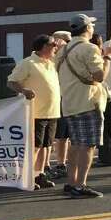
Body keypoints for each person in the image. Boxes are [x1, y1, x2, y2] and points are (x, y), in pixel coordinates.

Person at [57, 14, 109, 197]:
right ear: (87, 28)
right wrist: (107, 58)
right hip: (87, 102)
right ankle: (81, 185)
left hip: (69, 102)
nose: (93, 28)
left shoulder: (62, 50)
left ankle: (71, 183)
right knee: (87, 146)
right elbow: (99, 76)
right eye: (92, 25)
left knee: (75, 144)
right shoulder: (89, 48)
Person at [8, 34, 63, 188]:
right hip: (36, 113)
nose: (56, 48)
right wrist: (24, 90)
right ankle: (27, 177)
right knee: (35, 146)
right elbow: (11, 81)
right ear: (44, 46)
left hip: (52, 112)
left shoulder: (51, 63)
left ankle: (39, 175)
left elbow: (64, 50)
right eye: (53, 45)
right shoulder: (28, 63)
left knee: (46, 146)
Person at [46, 30, 74, 178]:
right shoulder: (51, 58)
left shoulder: (70, 56)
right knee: (53, 136)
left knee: (65, 135)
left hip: (69, 98)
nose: (69, 44)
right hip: (55, 100)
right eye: (67, 41)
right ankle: (46, 165)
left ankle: (62, 163)